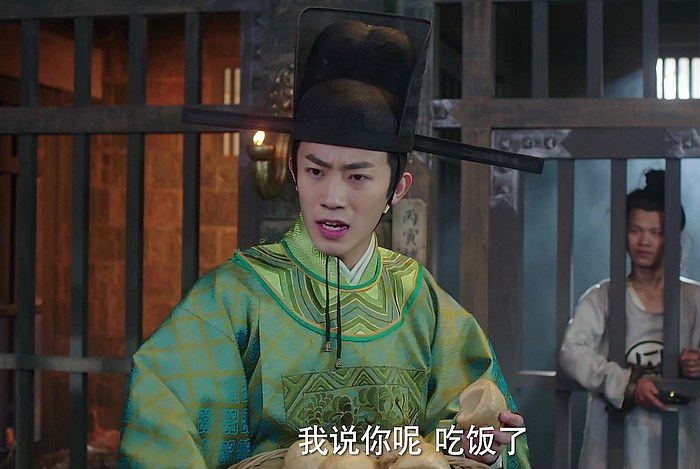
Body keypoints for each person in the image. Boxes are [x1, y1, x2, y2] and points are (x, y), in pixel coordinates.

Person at [120, 7, 535, 469]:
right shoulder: (233, 299)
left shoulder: (423, 303)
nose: (332, 198)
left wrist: (483, 448)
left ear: (397, 189)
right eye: (316, 171)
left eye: (357, 177)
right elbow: (160, 422)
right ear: (293, 171)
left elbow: (466, 439)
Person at [559, 169, 700, 469]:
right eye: (635, 230)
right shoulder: (603, 297)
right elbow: (572, 353)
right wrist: (627, 384)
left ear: (673, 238)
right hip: (611, 453)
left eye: (656, 232)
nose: (644, 241)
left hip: (678, 450)